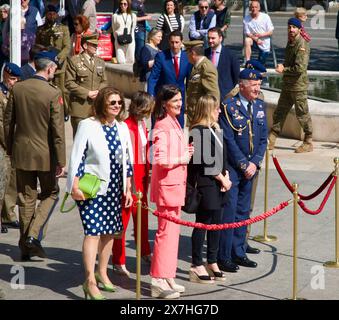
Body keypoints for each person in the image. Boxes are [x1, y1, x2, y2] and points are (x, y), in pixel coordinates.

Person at [66, 86, 133, 300]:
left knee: (109, 233)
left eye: (119, 103)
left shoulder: (122, 127)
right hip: (92, 188)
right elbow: (77, 156)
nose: (116, 106)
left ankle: (102, 272)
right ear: (102, 103)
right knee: (93, 232)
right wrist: (74, 187)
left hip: (115, 188)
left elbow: (127, 160)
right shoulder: (88, 125)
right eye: (112, 102)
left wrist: (128, 188)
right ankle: (89, 281)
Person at [4, 51, 66, 261]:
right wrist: (61, 161)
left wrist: (10, 147)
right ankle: (32, 236)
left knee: (26, 198)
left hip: (21, 151)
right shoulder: (52, 93)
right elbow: (58, 132)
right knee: (52, 193)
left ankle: (25, 248)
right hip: (45, 155)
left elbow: (8, 122)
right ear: (49, 69)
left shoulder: (18, 88)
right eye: (54, 69)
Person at [218, 68, 267, 272]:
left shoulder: (260, 106)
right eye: (253, 85)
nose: (257, 88)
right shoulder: (229, 107)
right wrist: (243, 164)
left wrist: (254, 162)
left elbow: (263, 137)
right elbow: (228, 139)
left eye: (258, 84)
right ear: (242, 85)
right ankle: (224, 255)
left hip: (251, 167)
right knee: (229, 213)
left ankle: (239, 251)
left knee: (243, 211)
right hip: (234, 168)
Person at [150, 84, 194, 299]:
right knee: (165, 234)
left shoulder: (174, 122)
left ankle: (167, 276)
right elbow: (159, 159)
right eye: (176, 100)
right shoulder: (162, 125)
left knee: (172, 235)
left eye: (180, 99)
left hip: (175, 187)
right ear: (165, 103)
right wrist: (181, 158)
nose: (180, 103)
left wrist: (185, 151)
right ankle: (158, 280)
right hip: (167, 189)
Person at [188, 94, 231, 284]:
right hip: (207, 184)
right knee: (202, 224)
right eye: (216, 108)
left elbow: (222, 157)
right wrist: (222, 179)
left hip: (219, 184)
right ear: (207, 110)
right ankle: (196, 264)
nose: (219, 111)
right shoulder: (197, 131)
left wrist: (226, 175)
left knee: (216, 224)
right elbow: (205, 161)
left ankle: (212, 261)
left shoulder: (213, 129)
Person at [112, 91, 154, 276]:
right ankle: (118, 260)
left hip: (143, 176)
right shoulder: (125, 126)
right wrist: (128, 183)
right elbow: (122, 158)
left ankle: (144, 251)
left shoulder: (142, 124)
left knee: (142, 218)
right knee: (123, 220)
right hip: (129, 179)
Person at [268, 18, 312, 153]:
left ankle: (308, 141)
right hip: (287, 85)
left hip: (298, 86)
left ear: (300, 29)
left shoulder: (302, 44)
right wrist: (283, 66)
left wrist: (284, 69)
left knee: (302, 114)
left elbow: (299, 68)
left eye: (294, 27)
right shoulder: (291, 41)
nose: (291, 30)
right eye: (289, 27)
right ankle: (272, 138)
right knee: (280, 112)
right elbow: (290, 62)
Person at [147, 30, 192, 128]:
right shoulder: (161, 56)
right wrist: (151, 97)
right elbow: (153, 78)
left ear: (181, 42)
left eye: (177, 42)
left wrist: (189, 99)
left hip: (179, 98)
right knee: (158, 127)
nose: (174, 45)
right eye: (172, 42)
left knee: (178, 127)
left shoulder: (187, 57)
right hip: (163, 97)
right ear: (169, 42)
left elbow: (189, 80)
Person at [65, 34, 107, 137]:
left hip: (96, 108)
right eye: (93, 45)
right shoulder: (74, 61)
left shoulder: (100, 62)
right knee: (80, 139)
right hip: (80, 108)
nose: (96, 47)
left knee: (95, 139)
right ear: (85, 46)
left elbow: (104, 81)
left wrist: (98, 91)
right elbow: (69, 82)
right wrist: (87, 93)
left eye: (96, 45)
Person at [0, 63, 21, 232]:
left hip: (12, 143)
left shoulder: (13, 93)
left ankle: (8, 214)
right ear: (5, 76)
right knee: (2, 182)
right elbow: (1, 123)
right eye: (12, 78)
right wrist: (8, 142)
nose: (14, 82)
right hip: (3, 143)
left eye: (17, 79)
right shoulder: (0, 94)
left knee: (11, 181)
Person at [184, 40, 219, 124]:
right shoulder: (196, 67)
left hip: (204, 119)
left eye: (187, 53)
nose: (186, 56)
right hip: (195, 116)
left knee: (204, 138)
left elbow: (213, 94)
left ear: (192, 53)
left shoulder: (206, 68)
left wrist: (210, 118)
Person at [205, 27, 239, 102]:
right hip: (208, 97)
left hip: (225, 97)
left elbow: (236, 77)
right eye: (209, 38)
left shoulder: (231, 55)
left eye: (213, 38)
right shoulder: (204, 54)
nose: (210, 41)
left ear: (220, 38)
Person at [243, 0, 274, 65]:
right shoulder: (246, 18)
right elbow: (247, 33)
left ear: (259, 8)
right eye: (252, 7)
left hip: (264, 42)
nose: (254, 9)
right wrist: (256, 39)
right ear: (250, 8)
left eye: (256, 7)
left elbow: (271, 32)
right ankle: (247, 62)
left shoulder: (265, 17)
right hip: (254, 40)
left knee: (260, 64)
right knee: (247, 40)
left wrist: (261, 35)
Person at [112, 0, 137, 64]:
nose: (123, 5)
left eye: (125, 4)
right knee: (121, 61)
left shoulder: (133, 16)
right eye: (121, 4)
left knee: (130, 60)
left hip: (130, 41)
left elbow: (133, 28)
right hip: (119, 40)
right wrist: (117, 37)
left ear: (128, 5)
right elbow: (114, 29)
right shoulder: (115, 16)